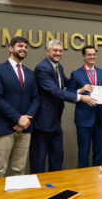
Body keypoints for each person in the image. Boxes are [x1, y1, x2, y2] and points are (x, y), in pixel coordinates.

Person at [0, 37, 39, 178]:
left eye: (26, 47)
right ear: (11, 48)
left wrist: (25, 120)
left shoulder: (30, 73)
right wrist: (17, 119)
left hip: (25, 130)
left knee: (19, 172)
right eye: (20, 46)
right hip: (2, 128)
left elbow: (36, 99)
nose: (24, 49)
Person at [30, 40, 83, 173]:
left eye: (60, 51)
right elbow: (55, 91)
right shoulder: (42, 68)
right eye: (55, 50)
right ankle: (39, 191)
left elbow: (66, 82)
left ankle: (54, 185)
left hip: (55, 121)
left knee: (57, 157)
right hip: (42, 122)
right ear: (47, 52)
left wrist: (83, 85)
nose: (58, 53)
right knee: (39, 159)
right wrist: (80, 97)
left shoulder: (58, 67)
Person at [67, 45, 102, 168]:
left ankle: (99, 182)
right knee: (84, 152)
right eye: (89, 54)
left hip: (100, 118)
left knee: (100, 152)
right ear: (83, 56)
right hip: (83, 119)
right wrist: (81, 89)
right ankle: (84, 181)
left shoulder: (101, 72)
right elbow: (68, 94)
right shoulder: (76, 74)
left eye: (94, 54)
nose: (92, 57)